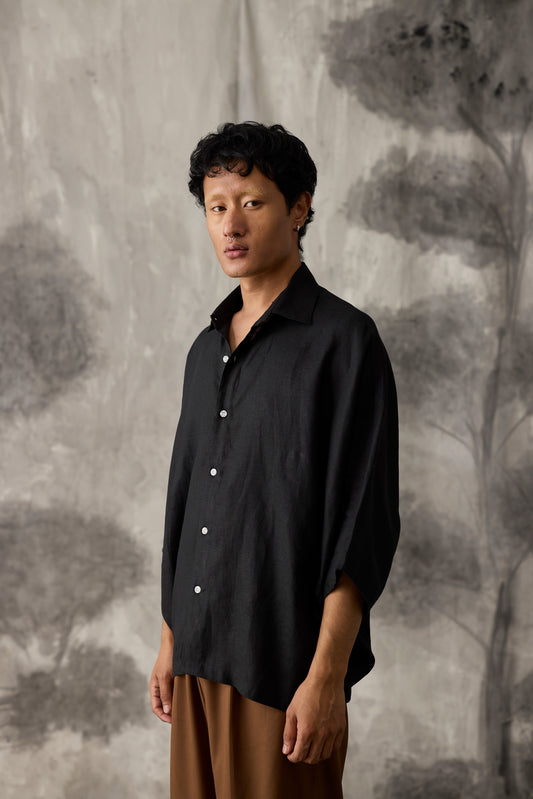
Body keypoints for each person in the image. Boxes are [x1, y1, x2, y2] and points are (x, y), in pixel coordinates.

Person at [149, 121, 400, 799]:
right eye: (215, 206)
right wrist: (171, 640)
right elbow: (186, 504)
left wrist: (325, 677)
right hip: (197, 659)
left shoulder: (345, 343)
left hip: (283, 670)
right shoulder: (205, 351)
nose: (230, 224)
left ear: (298, 208)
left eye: (251, 202)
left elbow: (361, 526)